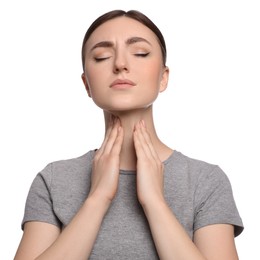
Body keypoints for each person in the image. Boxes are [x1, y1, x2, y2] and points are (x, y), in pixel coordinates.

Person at [14, 9, 243, 259]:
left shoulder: (205, 181)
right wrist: (97, 198)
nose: (120, 64)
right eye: (102, 56)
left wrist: (154, 202)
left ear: (163, 78)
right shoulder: (53, 180)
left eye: (140, 53)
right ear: (86, 84)